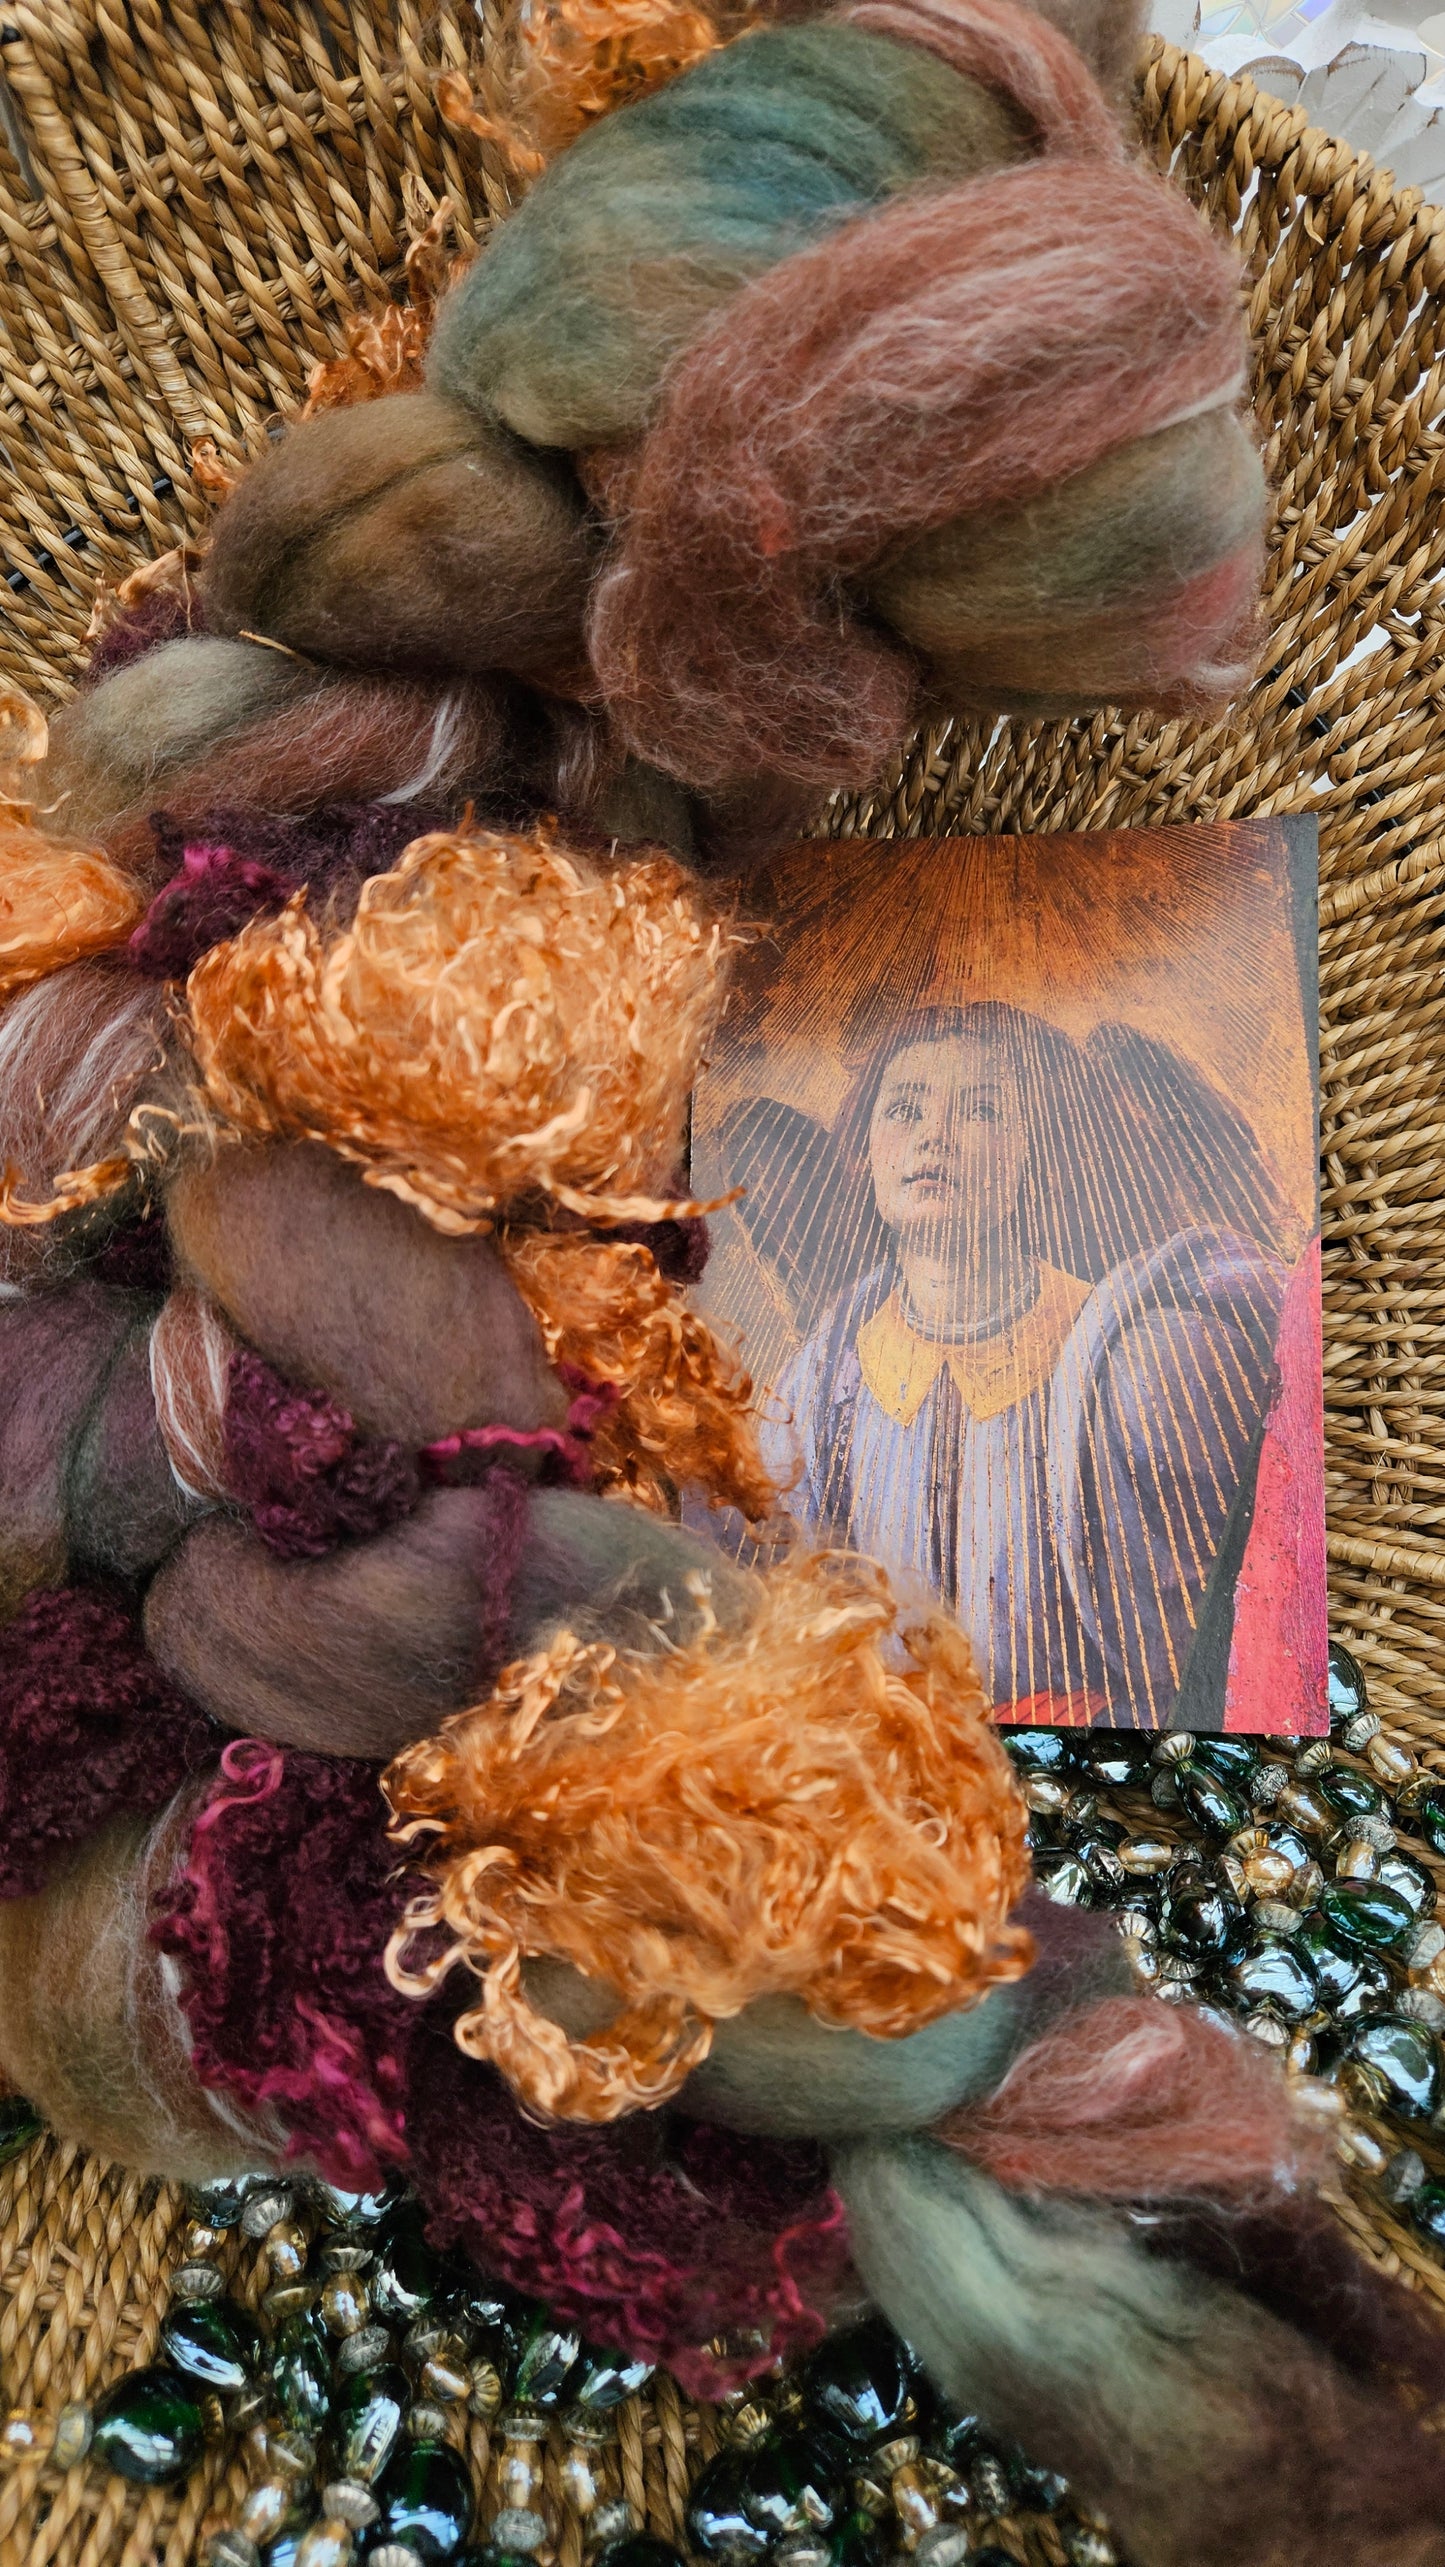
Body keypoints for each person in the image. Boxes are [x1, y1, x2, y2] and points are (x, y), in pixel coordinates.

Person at [753, 1002, 1295, 1726]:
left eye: (980, 1111)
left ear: (1037, 1151)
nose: (933, 1136)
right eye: (904, 1109)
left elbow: (1192, 1647)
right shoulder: (826, 1379)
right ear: (865, 1151)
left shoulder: (1116, 1353)